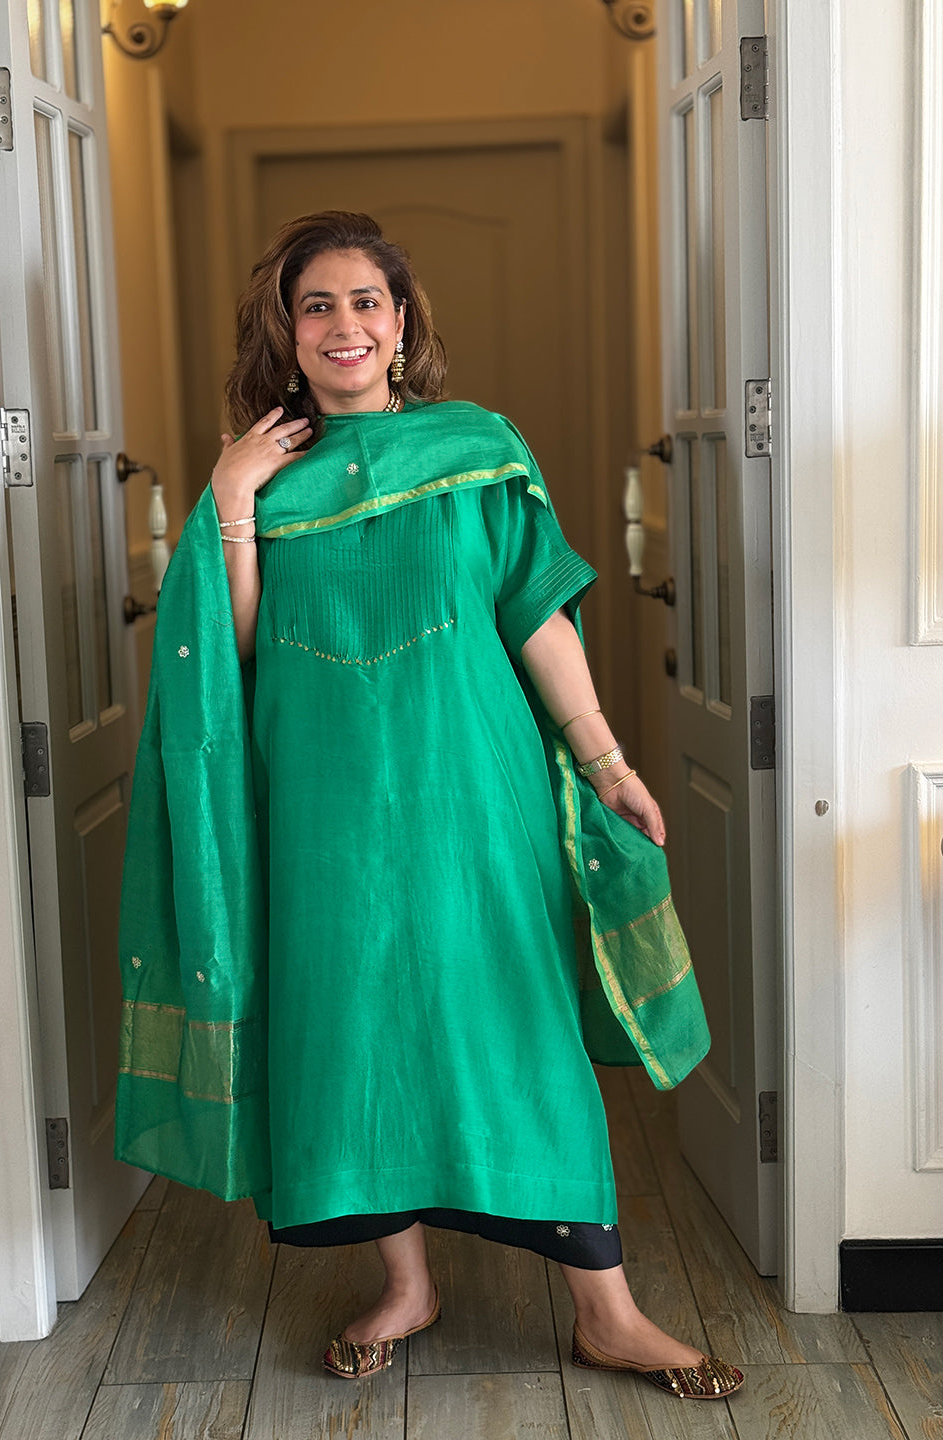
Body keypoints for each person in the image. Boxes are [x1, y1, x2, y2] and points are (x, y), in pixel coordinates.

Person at [116, 211, 743, 1400]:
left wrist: (606, 761)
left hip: (475, 793)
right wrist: (231, 497)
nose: (343, 324)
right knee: (350, 1035)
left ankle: (606, 1311)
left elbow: (535, 613)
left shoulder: (476, 448)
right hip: (323, 810)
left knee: (520, 1027)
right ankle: (407, 1285)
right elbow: (236, 649)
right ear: (286, 334)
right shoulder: (259, 472)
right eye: (317, 306)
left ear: (400, 323)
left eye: (365, 302)